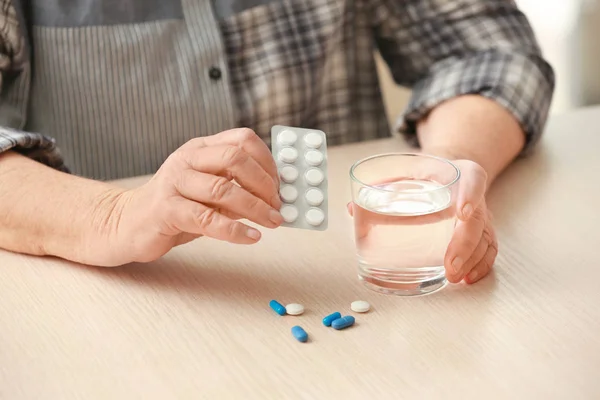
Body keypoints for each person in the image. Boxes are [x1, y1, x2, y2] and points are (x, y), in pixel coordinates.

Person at [0, 0, 554, 284]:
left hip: (335, 291)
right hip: (107, 296)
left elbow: (490, 52)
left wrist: (452, 163)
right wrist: (111, 215)